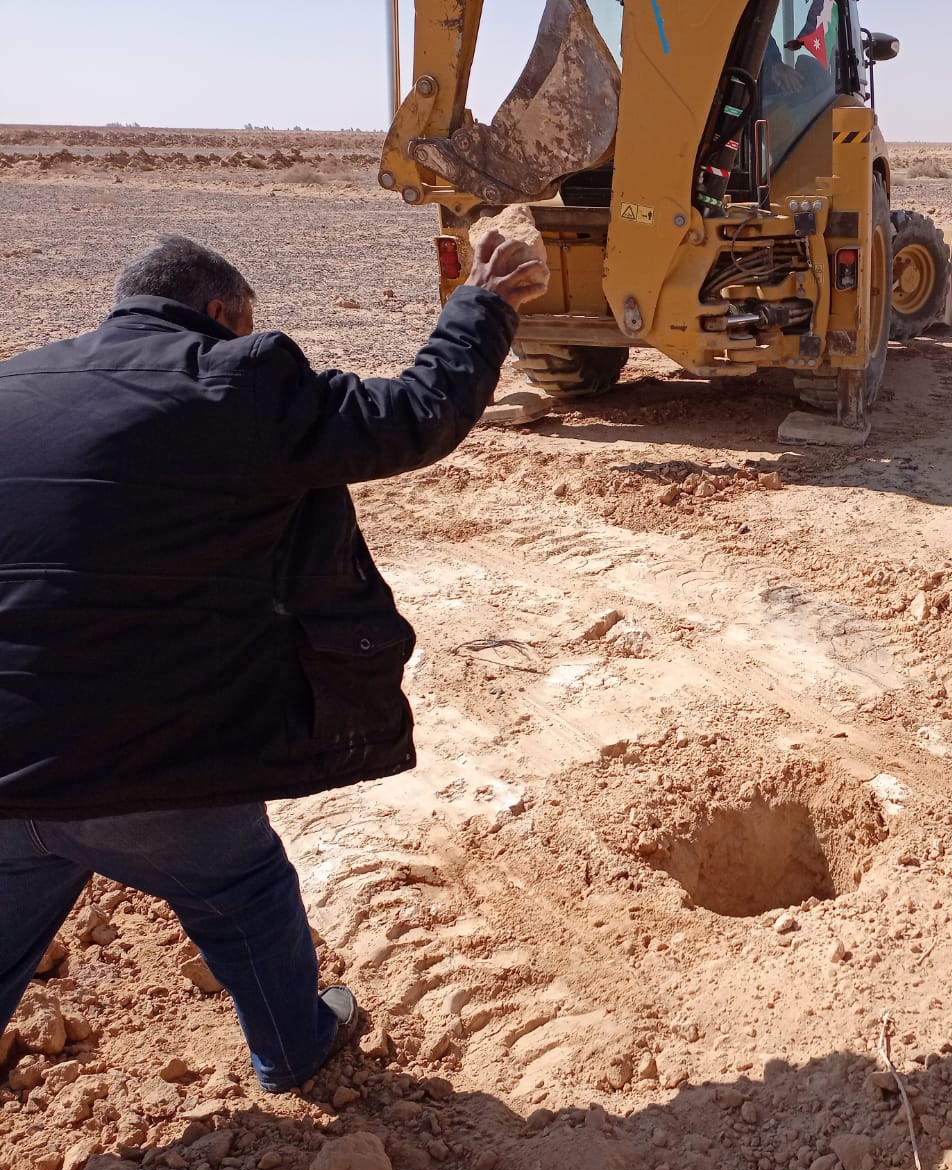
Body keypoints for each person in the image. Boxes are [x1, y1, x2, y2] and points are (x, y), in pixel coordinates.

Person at [0, 230, 547, 1092]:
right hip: (144, 761)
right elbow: (416, 414)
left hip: (7, 762)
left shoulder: (13, 387)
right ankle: (295, 1050)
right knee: (243, 885)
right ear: (221, 311)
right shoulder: (238, 379)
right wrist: (480, 307)